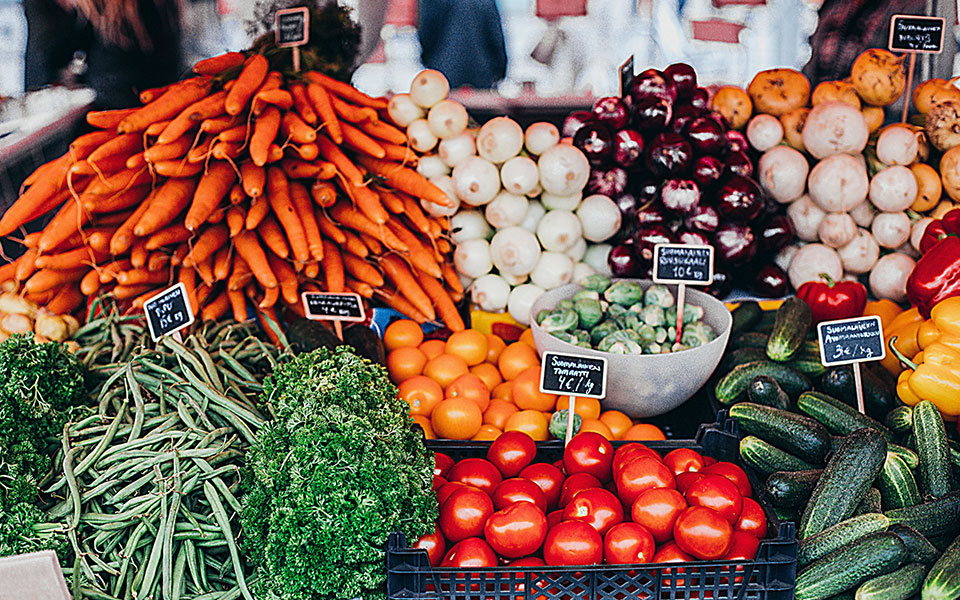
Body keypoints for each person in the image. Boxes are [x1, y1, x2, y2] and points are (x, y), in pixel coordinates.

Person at [23, 0, 183, 109]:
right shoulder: (160, 7)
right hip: (167, 96)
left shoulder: (101, 12)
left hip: (115, 105)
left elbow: (57, 55)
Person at [803, 0, 926, 84]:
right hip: (818, 112)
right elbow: (811, 66)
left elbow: (915, 84)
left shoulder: (915, 6)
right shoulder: (838, 4)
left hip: (879, 118)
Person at [418, 0, 507, 89]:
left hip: (442, 73)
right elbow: (495, 38)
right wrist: (499, 71)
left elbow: (426, 32)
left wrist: (427, 61)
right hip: (482, 74)